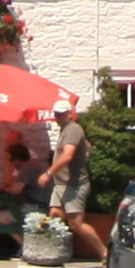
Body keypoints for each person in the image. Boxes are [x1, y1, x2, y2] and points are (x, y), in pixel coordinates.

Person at [42, 103, 103, 259]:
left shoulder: (73, 129)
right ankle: (55, 252)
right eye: (56, 114)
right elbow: (88, 146)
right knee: (55, 214)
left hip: (74, 184)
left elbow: (68, 155)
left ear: (71, 113)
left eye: (62, 114)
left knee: (77, 224)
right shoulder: (67, 130)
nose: (58, 117)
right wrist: (84, 156)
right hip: (62, 184)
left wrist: (49, 173)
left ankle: (105, 254)